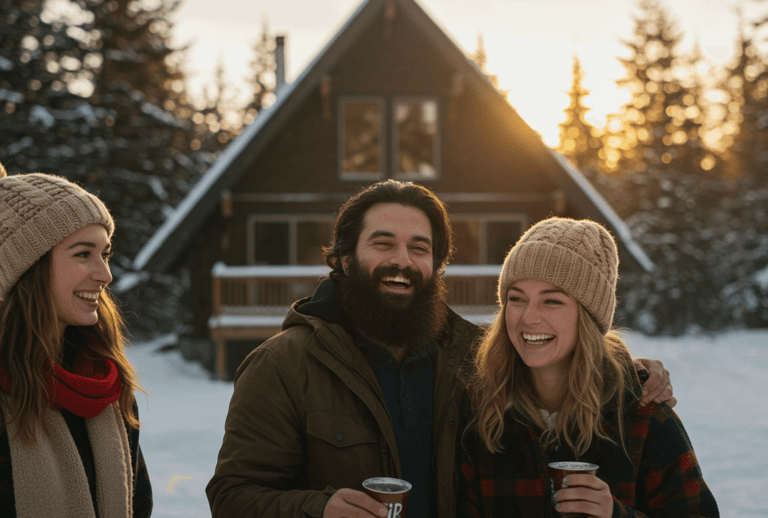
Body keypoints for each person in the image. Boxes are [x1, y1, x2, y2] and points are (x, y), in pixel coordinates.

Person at [206, 180, 673, 518]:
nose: (402, 261)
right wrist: (318, 509)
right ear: (345, 258)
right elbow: (231, 497)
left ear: (436, 264)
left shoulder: (473, 359)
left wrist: (627, 371)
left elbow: (557, 362)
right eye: (382, 243)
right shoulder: (284, 364)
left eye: (419, 247)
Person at [458, 217, 719, 517]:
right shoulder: (482, 412)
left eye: (552, 301)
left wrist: (616, 515)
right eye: (516, 299)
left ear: (588, 317)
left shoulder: (642, 416)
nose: (528, 317)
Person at [0, 162, 153, 517]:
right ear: (25, 267)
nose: (105, 274)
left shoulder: (105, 385)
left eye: (105, 254)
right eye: (83, 254)